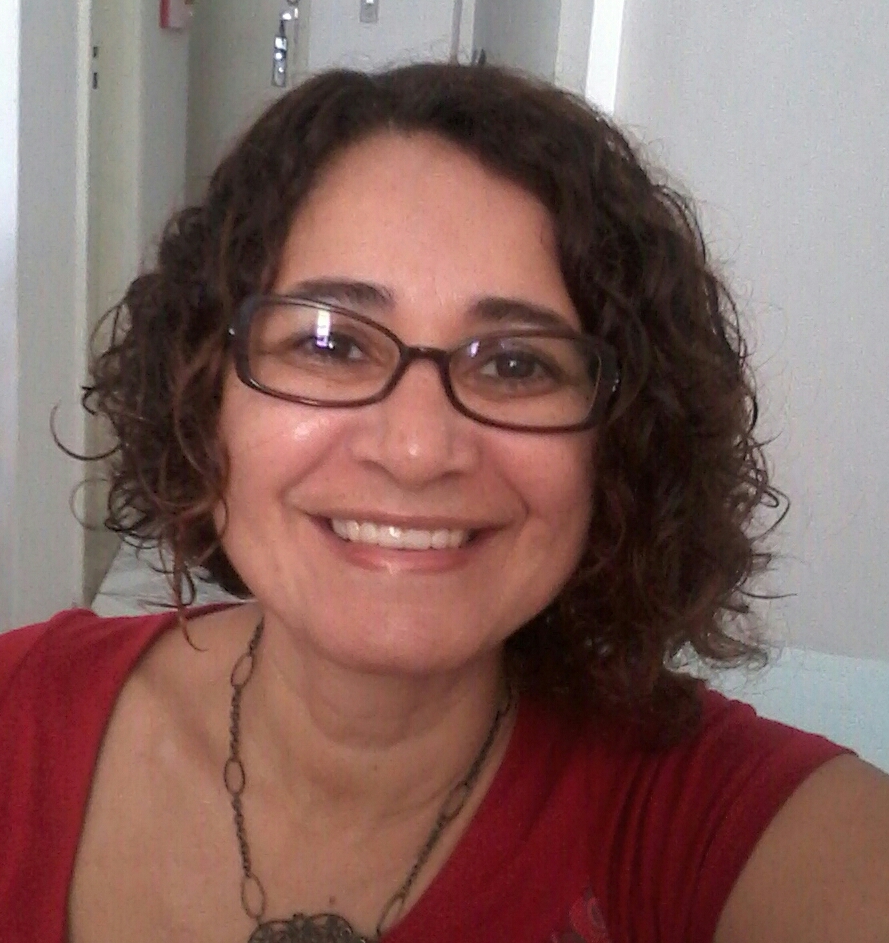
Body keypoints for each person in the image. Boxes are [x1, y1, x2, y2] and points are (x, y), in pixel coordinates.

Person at [1, 62, 887, 943]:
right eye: (330, 344)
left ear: (618, 445)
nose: (417, 450)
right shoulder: (21, 711)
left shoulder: (709, 823)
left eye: (515, 363)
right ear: (203, 396)